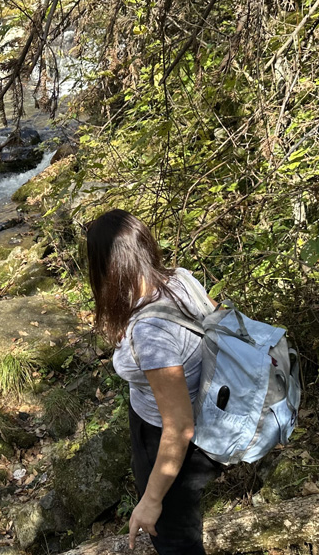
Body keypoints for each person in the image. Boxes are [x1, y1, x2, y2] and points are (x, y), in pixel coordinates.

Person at [85, 209, 220, 554]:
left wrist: (151, 500)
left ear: (107, 268)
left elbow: (180, 426)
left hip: (168, 439)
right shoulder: (180, 279)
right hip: (190, 413)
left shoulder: (149, 333)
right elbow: (216, 322)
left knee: (176, 540)